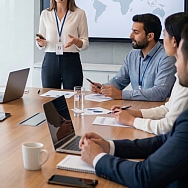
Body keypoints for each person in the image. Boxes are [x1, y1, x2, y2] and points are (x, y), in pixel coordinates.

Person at [79, 23, 188, 188]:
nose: (175, 65)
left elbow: (144, 176)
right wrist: (109, 146)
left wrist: (98, 158)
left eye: (179, 58)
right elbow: (164, 140)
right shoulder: (132, 55)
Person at [112, 12, 188, 134]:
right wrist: (136, 113)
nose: (163, 41)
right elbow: (168, 108)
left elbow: (167, 126)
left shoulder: (183, 75)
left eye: (165, 35)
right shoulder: (133, 55)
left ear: (174, 41)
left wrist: (132, 121)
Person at [89, 13, 176, 101]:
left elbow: (160, 93)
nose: (131, 36)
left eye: (136, 32)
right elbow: (119, 81)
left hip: (157, 110)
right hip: (136, 106)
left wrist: (121, 94)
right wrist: (104, 88)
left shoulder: (167, 57)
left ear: (150, 36)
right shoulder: (132, 55)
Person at [36, 0, 89, 89]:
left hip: (71, 60)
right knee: (49, 99)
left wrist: (76, 41)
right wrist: (41, 42)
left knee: (72, 98)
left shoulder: (79, 13)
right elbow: (41, 39)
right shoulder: (45, 13)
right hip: (50, 59)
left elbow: (85, 42)